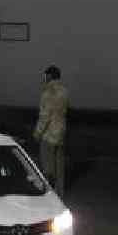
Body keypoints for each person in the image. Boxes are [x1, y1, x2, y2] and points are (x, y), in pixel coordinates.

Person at [33, 65, 69, 198]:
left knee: (48, 168)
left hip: (48, 134)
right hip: (60, 133)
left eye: (45, 75)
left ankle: (49, 195)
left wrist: (37, 133)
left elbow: (45, 116)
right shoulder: (64, 91)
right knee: (59, 167)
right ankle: (60, 194)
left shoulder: (48, 92)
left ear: (49, 76)